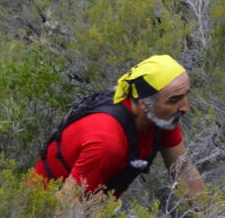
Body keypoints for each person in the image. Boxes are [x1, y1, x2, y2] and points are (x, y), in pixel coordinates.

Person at [33, 55, 206, 202]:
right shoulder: (107, 142)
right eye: (174, 100)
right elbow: (66, 206)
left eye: (184, 96)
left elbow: (183, 171)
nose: (185, 107)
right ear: (144, 103)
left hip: (87, 208)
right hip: (36, 214)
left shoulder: (161, 118)